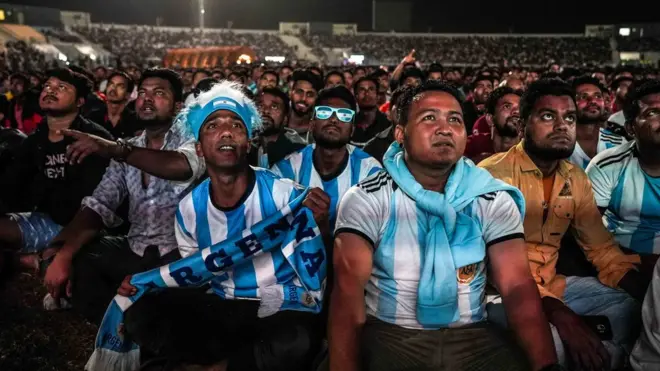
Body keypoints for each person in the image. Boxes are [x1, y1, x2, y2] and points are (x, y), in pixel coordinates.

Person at [327, 81, 558, 371]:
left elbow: (517, 288)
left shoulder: (490, 197)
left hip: (472, 336)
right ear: (400, 134)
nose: (445, 128)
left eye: (454, 119)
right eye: (429, 118)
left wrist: (547, 367)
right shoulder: (367, 198)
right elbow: (347, 297)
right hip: (391, 335)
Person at [119, 81, 329, 371]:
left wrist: (321, 222)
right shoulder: (190, 208)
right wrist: (148, 280)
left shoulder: (286, 195)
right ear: (199, 149)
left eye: (237, 126)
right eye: (213, 126)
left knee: (296, 339)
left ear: (248, 143)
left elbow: (312, 269)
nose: (226, 132)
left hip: (277, 308)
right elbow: (195, 269)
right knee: (141, 314)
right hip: (223, 304)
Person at [479, 78, 654, 370]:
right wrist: (560, 315)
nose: (562, 126)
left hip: (555, 286)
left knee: (633, 312)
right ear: (522, 126)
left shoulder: (575, 177)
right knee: (552, 344)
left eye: (569, 117)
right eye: (548, 116)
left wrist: (649, 294)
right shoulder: (493, 176)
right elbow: (493, 270)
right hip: (499, 294)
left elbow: (602, 251)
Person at [42, 68, 192, 323]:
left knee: (171, 305)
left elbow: (179, 166)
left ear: (177, 106)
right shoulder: (127, 146)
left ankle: (138, 320)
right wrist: (63, 251)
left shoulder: (193, 142)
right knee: (68, 253)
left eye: (158, 93)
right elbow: (100, 203)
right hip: (135, 248)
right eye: (142, 92)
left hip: (181, 255)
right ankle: (121, 318)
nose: (146, 99)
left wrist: (116, 149)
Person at [0, 68, 112, 285]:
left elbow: (100, 205)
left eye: (62, 88)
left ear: (80, 101)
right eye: (47, 86)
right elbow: (12, 187)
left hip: (84, 229)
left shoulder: (95, 140)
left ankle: (39, 259)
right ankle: (28, 260)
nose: (51, 91)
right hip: (45, 220)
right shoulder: (35, 141)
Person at [271, 85, 381, 230]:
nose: (334, 119)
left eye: (344, 115)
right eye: (324, 112)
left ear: (352, 129)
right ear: (312, 124)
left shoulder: (371, 173)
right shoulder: (286, 170)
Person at [586, 79, 660, 255]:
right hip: (621, 262)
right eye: (653, 113)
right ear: (630, 128)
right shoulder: (606, 166)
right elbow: (586, 233)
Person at [568, 76, 626, 170]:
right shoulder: (561, 144)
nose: (593, 101)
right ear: (570, 103)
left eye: (598, 96)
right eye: (584, 96)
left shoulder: (619, 143)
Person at [465, 87, 522, 164]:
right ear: (490, 119)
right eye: (507, 106)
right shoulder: (471, 146)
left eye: (520, 108)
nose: (516, 112)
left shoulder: (532, 151)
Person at [251, 87, 306, 168]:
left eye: (274, 106)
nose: (266, 111)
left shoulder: (297, 151)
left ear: (285, 119)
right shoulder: (246, 148)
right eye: (261, 105)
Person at [87, 70, 141, 139]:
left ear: (128, 94)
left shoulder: (136, 121)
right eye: (111, 84)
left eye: (120, 86)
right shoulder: (92, 118)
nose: (113, 88)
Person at [363, 86, 408, 164]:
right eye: (399, 104)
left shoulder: (428, 143)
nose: (403, 109)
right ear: (389, 112)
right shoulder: (372, 148)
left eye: (408, 105)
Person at [351, 76, 391, 148]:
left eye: (371, 89)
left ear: (377, 96)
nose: (366, 94)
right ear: (356, 96)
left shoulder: (387, 125)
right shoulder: (349, 124)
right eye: (362, 90)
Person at [288, 70, 323, 138]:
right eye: (299, 92)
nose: (303, 98)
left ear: (316, 98)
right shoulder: (277, 121)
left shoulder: (319, 130)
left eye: (310, 95)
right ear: (290, 93)